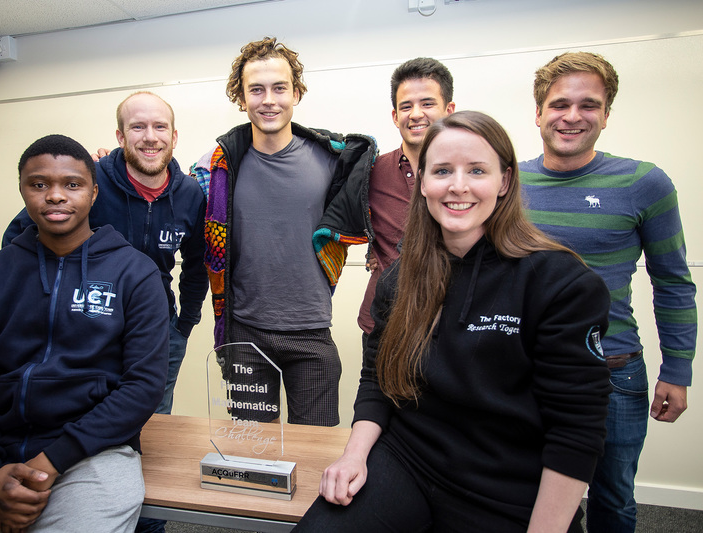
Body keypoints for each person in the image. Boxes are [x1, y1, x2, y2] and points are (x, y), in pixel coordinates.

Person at [295, 111, 612, 532]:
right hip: (409, 460)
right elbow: (377, 378)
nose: (458, 186)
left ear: (504, 181)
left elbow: (576, 432)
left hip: (506, 487)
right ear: (423, 181)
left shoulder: (561, 283)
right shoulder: (399, 278)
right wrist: (354, 455)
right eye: (442, 170)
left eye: (477, 170)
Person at [0, 134, 170, 532]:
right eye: (39, 184)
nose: (56, 196)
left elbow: (143, 386)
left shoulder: (135, 273)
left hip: (94, 452)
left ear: (94, 193)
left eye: (72, 184)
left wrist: (50, 462)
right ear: (23, 191)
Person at [519, 51, 697, 532]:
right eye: (559, 104)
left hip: (612, 373)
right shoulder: (507, 183)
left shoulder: (645, 183)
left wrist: (677, 370)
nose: (572, 116)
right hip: (523, 373)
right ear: (538, 112)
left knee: (613, 501)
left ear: (606, 113)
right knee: (528, 498)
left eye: (588, 104)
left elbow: (674, 282)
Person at [190, 37, 376, 427]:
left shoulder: (334, 159)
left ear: (296, 93)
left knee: (316, 454)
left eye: (279, 88)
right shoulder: (217, 168)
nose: (268, 99)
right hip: (244, 333)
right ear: (241, 98)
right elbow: (166, 188)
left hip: (310, 333)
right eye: (256, 90)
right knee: (252, 455)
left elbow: (380, 201)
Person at [3, 91, 208, 416]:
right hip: (90, 325)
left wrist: (184, 324)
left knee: (152, 425)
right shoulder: (89, 181)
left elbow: (198, 265)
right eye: (138, 127)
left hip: (159, 331)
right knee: (87, 422)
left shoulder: (190, 194)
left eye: (160, 127)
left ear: (174, 136)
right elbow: (18, 236)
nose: (150, 137)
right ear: (120, 136)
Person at [357, 57, 455, 349]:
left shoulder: (470, 174)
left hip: (449, 326)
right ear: (394, 115)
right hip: (383, 326)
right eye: (406, 106)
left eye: (427, 104)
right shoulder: (370, 172)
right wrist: (370, 247)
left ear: (448, 110)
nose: (416, 114)